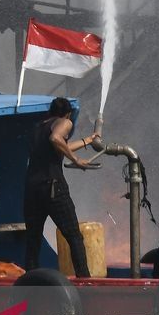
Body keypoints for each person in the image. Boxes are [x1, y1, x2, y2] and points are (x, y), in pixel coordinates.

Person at [23, 97, 101, 277]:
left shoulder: (37, 127)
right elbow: (56, 138)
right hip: (52, 187)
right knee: (74, 236)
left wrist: (87, 140)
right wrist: (76, 160)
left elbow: (59, 145)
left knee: (33, 240)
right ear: (68, 113)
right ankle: (84, 282)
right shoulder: (64, 122)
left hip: (32, 189)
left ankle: (30, 284)